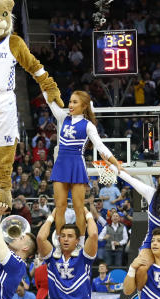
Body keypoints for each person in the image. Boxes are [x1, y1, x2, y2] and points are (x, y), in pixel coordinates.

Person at [47, 90, 120, 237]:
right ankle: (61, 242)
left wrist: (116, 163)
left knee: (79, 208)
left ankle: (79, 242)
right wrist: (40, 77)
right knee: (60, 207)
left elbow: (100, 146)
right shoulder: (63, 117)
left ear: (84, 106)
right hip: (61, 164)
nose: (70, 105)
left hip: (77, 165)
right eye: (70, 102)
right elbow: (49, 101)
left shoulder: (88, 125)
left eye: (75, 102)